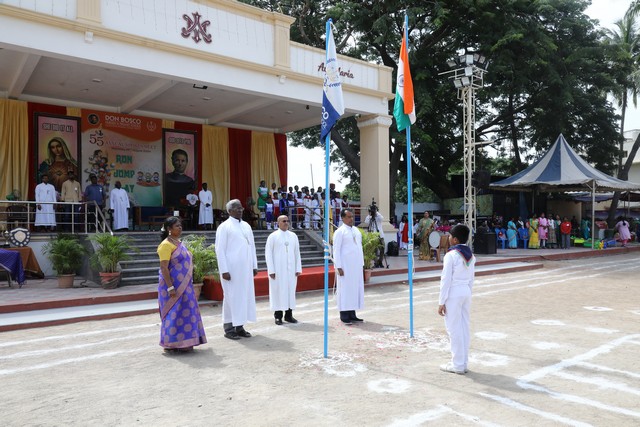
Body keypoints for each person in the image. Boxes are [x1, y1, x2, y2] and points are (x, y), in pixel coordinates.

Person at [157, 216, 207, 353]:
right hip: (172, 286)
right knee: (173, 314)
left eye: (180, 225)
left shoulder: (179, 243)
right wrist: (170, 287)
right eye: (177, 226)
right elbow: (164, 268)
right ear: (169, 229)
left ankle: (186, 343)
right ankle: (171, 344)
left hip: (186, 286)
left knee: (187, 312)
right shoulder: (165, 245)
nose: (180, 228)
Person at [215, 199, 258, 340]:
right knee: (230, 298)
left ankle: (239, 326)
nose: (240, 210)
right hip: (231, 270)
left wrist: (254, 265)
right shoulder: (224, 227)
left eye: (241, 208)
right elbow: (220, 250)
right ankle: (229, 328)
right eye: (236, 208)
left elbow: (252, 247)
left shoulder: (246, 226)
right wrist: (224, 270)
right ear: (229, 211)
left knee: (243, 297)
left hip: (245, 269)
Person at [438, 224, 476, 375]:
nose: (448, 238)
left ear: (454, 239)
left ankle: (458, 365)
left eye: (450, 236)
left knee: (454, 329)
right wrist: (468, 293)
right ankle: (463, 362)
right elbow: (472, 278)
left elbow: (445, 280)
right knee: (464, 327)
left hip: (453, 292)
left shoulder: (451, 255)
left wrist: (441, 301)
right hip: (466, 291)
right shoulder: (471, 256)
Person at [265, 215, 302, 325]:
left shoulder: (293, 236)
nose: (286, 223)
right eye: (283, 221)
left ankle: (289, 315)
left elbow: (297, 253)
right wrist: (271, 270)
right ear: (278, 223)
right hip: (278, 270)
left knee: (290, 292)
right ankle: (278, 316)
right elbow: (268, 254)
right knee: (278, 292)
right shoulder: (273, 236)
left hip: (291, 270)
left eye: (287, 221)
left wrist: (298, 268)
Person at [333, 208, 365, 324]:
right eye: (349, 217)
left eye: (352, 217)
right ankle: (344, 315)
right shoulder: (340, 232)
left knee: (354, 289)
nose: (351, 219)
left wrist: (361, 263)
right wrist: (338, 266)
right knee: (345, 289)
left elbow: (359, 247)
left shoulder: (356, 230)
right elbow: (336, 250)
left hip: (356, 266)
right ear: (343, 218)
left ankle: (352, 313)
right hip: (345, 266)